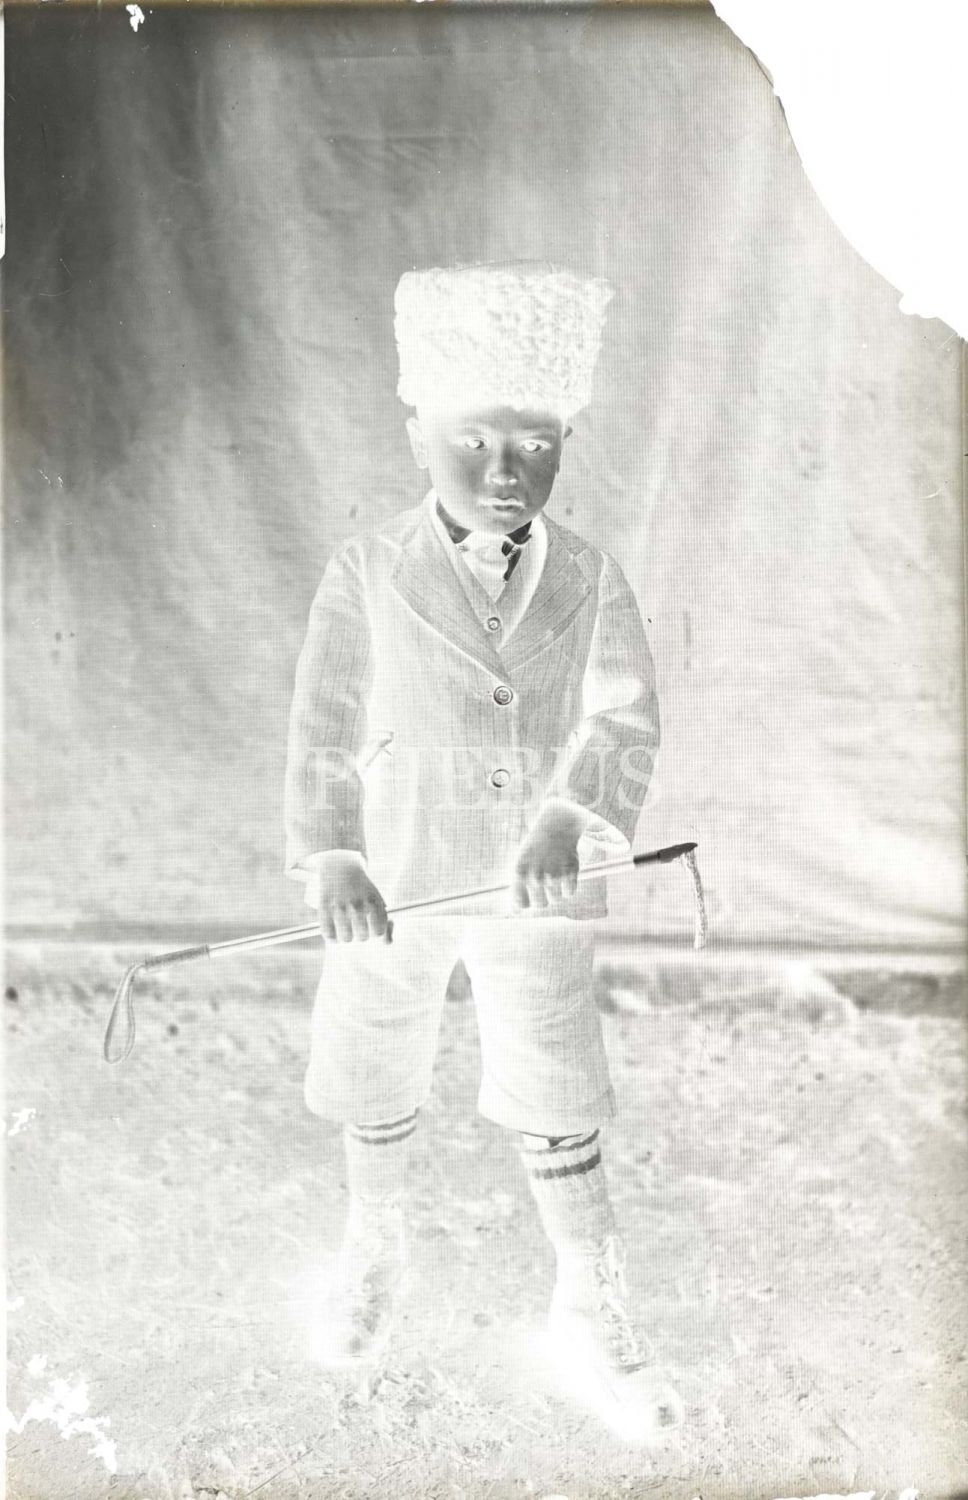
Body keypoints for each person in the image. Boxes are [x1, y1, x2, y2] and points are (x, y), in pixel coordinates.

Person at [284, 260, 679, 1437]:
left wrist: (567, 819)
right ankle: (374, 1248)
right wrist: (335, 857)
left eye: (532, 443)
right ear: (417, 433)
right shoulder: (366, 572)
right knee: (376, 1056)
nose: (504, 470)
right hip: (394, 880)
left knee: (555, 1077)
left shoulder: (591, 578)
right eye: (472, 440)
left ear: (563, 445)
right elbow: (324, 724)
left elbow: (623, 717)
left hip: (533, 888)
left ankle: (587, 1295)